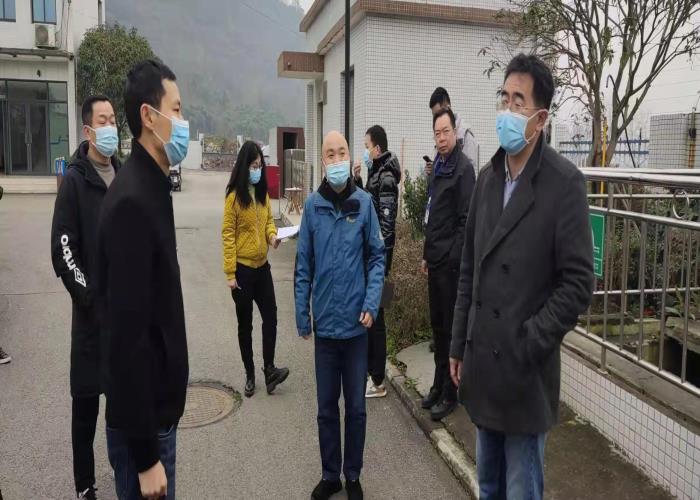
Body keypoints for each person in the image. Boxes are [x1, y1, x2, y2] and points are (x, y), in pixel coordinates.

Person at [449, 54, 594, 500]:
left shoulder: (564, 184)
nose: (507, 111)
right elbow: (469, 269)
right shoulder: (489, 179)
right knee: (488, 485)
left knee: (521, 490)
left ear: (540, 118)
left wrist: (530, 341)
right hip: (484, 366)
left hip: (524, 374)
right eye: (504, 98)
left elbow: (578, 283)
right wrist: (458, 344)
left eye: (518, 102)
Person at [97, 60, 189, 500]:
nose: (184, 122)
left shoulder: (151, 186)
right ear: (149, 117)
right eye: (177, 109)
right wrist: (147, 457)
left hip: (156, 415)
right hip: (145, 427)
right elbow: (126, 338)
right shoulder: (132, 201)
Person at [295, 131, 385, 500]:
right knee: (326, 409)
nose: (336, 159)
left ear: (350, 157)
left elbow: (377, 257)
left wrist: (371, 302)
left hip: (356, 329)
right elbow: (304, 264)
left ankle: (353, 475)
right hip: (326, 331)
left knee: (357, 409)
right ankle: (331, 474)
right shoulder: (312, 207)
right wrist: (303, 314)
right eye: (330, 154)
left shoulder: (364, 204)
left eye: (341, 152)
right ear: (323, 160)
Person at [51, 95, 122, 500]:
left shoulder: (123, 175)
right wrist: (89, 297)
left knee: (121, 403)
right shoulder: (75, 183)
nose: (111, 126)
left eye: (113, 119)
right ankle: (85, 484)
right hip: (91, 318)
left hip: (124, 318)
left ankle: (121, 466)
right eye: (103, 120)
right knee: (86, 406)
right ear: (88, 130)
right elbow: (64, 249)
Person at [222, 140, 289, 398]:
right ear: (243, 167)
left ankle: (269, 369)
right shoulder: (234, 198)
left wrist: (272, 237)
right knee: (245, 325)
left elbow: (269, 222)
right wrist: (230, 274)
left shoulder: (262, 195)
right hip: (242, 271)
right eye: (253, 165)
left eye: (260, 165)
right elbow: (228, 235)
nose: (257, 170)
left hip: (262, 269)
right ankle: (250, 374)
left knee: (271, 316)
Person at [421, 107, 475, 422]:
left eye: (446, 132)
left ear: (455, 132)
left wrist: (452, 258)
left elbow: (466, 223)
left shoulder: (463, 170)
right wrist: (427, 254)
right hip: (435, 261)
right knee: (438, 329)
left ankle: (451, 393)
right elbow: (432, 214)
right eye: (437, 133)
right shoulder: (438, 166)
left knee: (452, 330)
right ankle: (438, 384)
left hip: (451, 267)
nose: (441, 138)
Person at [352, 125, 401, 399]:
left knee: (378, 316)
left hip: (380, 258)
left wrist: (380, 261)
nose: (365, 152)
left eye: (367, 147)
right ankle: (372, 373)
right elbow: (368, 207)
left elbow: (386, 225)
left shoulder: (387, 178)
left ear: (377, 149)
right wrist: (359, 181)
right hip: (374, 257)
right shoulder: (377, 173)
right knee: (374, 312)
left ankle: (379, 380)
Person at [424, 87, 479, 178]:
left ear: (448, 108)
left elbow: (471, 173)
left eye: (438, 113)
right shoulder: (439, 135)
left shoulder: (465, 136)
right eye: (434, 115)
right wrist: (432, 171)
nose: (436, 119)